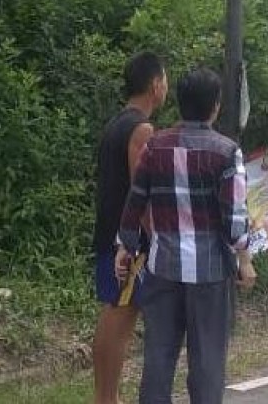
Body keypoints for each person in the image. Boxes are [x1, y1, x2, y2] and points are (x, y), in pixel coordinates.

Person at [116, 67, 255, 404]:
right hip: (209, 273)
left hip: (163, 268)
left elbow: (135, 200)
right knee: (207, 360)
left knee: (158, 358)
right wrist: (245, 259)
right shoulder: (226, 152)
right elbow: (234, 219)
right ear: (216, 106)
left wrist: (125, 245)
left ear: (180, 102)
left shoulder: (154, 146)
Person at [92, 52, 168, 404]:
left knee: (117, 312)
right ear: (155, 85)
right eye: (164, 79)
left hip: (109, 232)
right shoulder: (142, 128)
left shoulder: (115, 124)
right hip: (128, 242)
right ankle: (107, 399)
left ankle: (108, 396)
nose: (166, 85)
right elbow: (142, 192)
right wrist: (155, 237)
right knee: (119, 317)